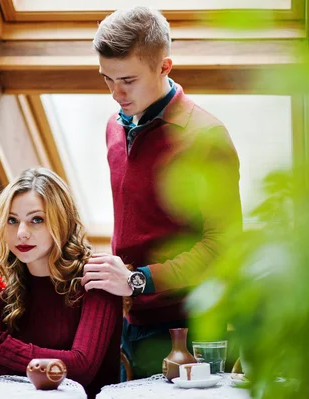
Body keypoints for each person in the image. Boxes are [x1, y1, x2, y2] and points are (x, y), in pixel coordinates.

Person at [82, 6, 243, 379]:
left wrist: (139, 280)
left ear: (164, 67)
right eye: (106, 78)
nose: (115, 93)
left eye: (127, 80)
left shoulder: (205, 137)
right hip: (127, 320)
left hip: (191, 327)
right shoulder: (113, 127)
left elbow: (222, 247)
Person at [0, 167, 122, 398]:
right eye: (12, 220)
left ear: (62, 222)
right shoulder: (6, 285)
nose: (21, 233)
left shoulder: (96, 278)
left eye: (36, 220)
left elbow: (80, 368)